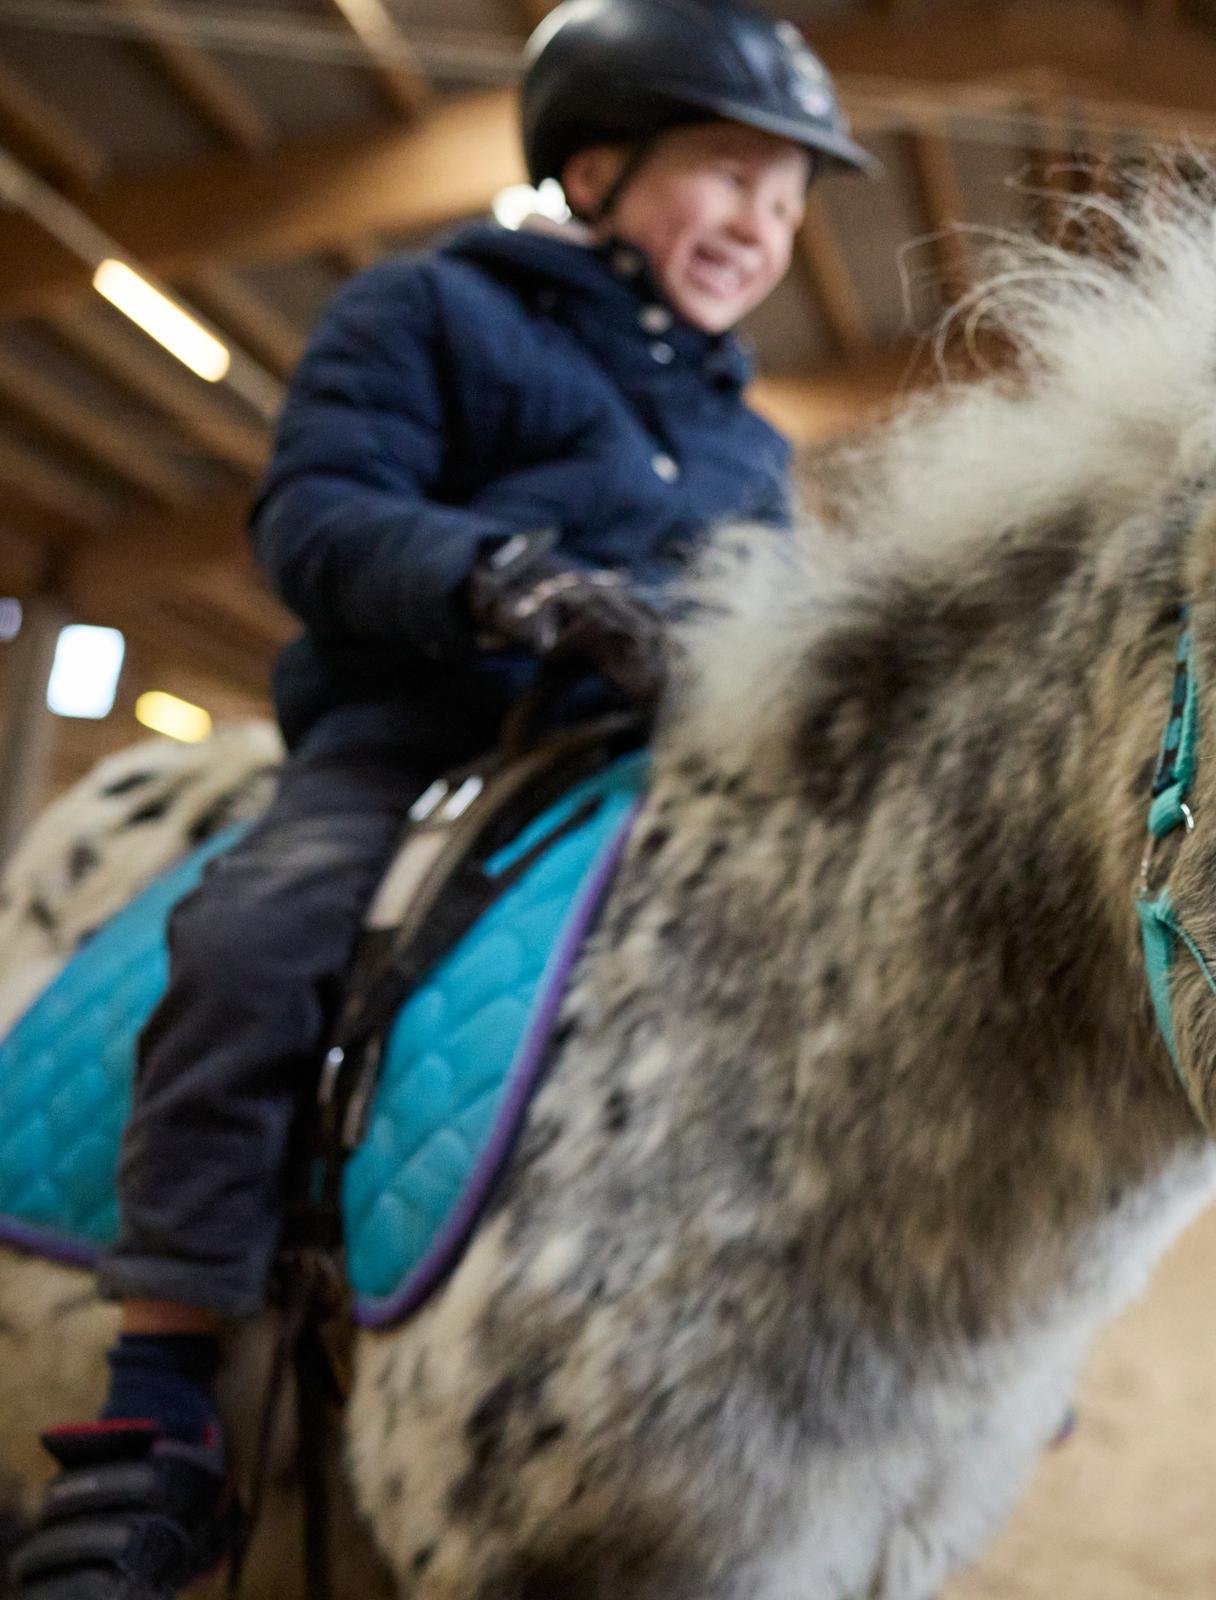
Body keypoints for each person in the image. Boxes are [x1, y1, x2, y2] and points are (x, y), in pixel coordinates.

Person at [7, 3, 872, 1595]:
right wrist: (498, 581)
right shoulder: (428, 311)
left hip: (647, 778)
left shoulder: (746, 441)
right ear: (598, 170)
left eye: (790, 196)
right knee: (254, 940)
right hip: (413, 739)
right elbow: (319, 514)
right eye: (731, 177)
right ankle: (158, 1408)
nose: (766, 225)